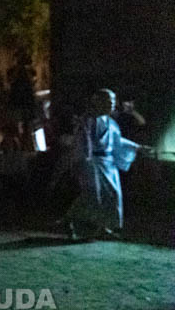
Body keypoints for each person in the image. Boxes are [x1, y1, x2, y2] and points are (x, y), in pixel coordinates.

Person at [64, 89, 152, 240]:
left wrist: (138, 147)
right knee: (92, 195)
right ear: (97, 101)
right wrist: (83, 163)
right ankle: (70, 219)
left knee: (113, 195)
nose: (111, 104)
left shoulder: (111, 123)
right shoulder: (87, 121)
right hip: (92, 162)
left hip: (108, 163)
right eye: (107, 101)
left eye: (112, 101)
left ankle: (104, 227)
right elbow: (83, 144)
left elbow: (117, 141)